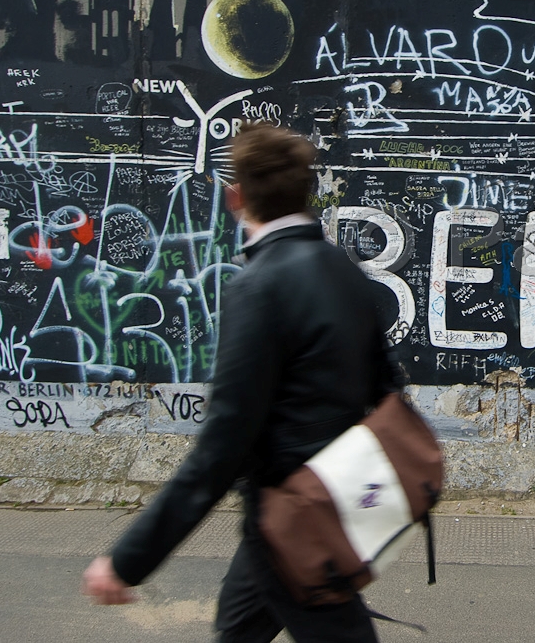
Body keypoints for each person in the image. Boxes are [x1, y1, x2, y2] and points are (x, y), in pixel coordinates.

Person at [83, 123, 400, 642]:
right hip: (328, 499)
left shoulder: (260, 285)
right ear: (306, 190)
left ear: (236, 197)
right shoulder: (340, 268)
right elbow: (381, 387)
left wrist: (128, 560)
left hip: (290, 514)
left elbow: (223, 444)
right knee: (238, 630)